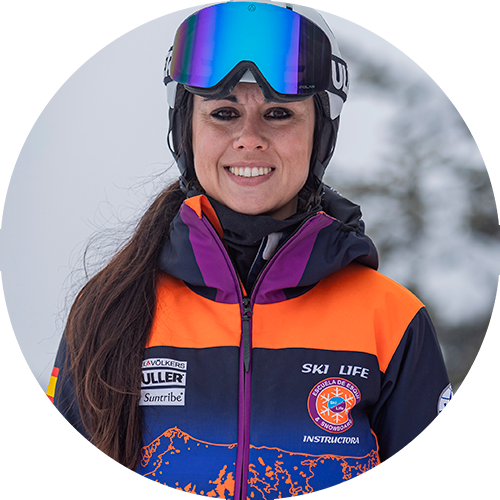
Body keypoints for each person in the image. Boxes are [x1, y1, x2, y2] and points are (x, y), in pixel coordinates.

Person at [24, 1, 473, 499]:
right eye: (224, 113)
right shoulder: (111, 309)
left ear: (319, 133)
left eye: (279, 114)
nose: (249, 139)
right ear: (186, 130)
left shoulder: (389, 321)